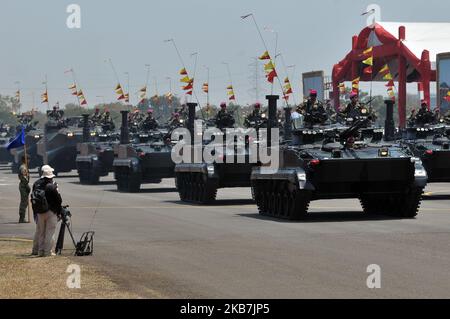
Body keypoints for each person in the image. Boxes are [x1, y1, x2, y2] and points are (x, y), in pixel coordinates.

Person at [31, 165, 62, 257]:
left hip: (39, 212)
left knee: (41, 232)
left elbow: (33, 198)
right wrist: (59, 211)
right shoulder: (52, 185)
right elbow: (58, 200)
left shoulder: (36, 184)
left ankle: (40, 251)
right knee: (50, 232)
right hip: (51, 212)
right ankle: (47, 252)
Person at [18, 155, 30, 223]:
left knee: (25, 202)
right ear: (25, 160)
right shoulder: (23, 167)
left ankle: (22, 217)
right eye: (28, 159)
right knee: (24, 202)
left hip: (24, 185)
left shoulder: (25, 167)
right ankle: (21, 218)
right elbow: (23, 177)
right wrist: (27, 185)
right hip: (23, 186)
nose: (29, 161)